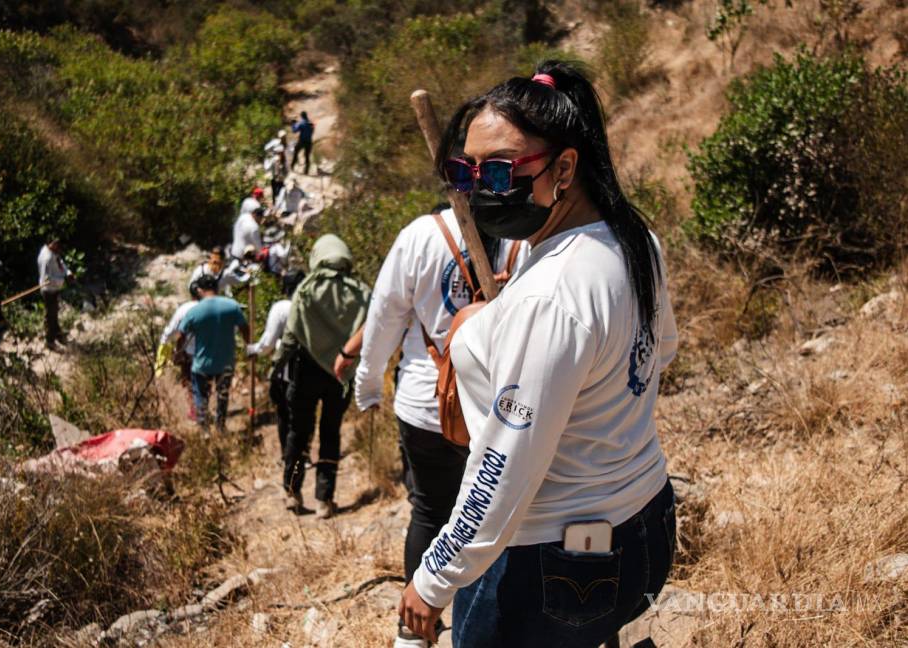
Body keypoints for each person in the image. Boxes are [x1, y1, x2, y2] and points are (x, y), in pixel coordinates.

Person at [398, 61, 679, 648]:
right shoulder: (632, 240)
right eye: (464, 170)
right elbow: (658, 351)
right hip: (645, 520)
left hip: (555, 559)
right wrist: (497, 322)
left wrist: (431, 579)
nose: (478, 189)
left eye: (500, 172)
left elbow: (504, 466)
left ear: (565, 168)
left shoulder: (553, 294)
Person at [346, 203, 527, 648]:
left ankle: (415, 632)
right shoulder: (525, 232)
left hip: (428, 402)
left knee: (429, 511)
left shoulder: (420, 236)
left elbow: (384, 315)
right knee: (501, 517)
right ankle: (487, 619)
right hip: (499, 407)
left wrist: (367, 387)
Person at [279, 234, 370, 519]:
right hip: (339, 375)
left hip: (304, 371)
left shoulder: (306, 289)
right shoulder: (361, 293)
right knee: (330, 432)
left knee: (299, 432)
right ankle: (324, 500)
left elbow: (291, 334)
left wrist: (277, 365)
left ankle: (292, 492)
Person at [177, 274, 249, 434]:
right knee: (222, 395)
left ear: (200, 290)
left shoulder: (195, 311)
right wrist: (248, 346)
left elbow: (180, 334)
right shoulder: (232, 306)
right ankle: (220, 426)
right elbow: (244, 327)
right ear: (216, 288)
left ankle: (204, 430)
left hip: (202, 363)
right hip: (225, 361)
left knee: (201, 396)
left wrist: (180, 353)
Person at [246, 269, 306, 461]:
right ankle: (303, 453)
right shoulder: (313, 304)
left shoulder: (281, 308)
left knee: (284, 412)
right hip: (312, 364)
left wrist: (253, 350)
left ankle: (287, 454)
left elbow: (268, 343)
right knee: (305, 411)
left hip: (287, 366)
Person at [157, 281, 203, 421]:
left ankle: (195, 411)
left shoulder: (184, 309)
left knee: (189, 382)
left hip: (189, 352)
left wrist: (163, 345)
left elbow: (171, 330)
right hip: (210, 351)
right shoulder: (212, 307)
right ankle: (203, 408)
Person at [37, 239, 73, 350]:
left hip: (54, 289)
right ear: (52, 244)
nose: (59, 249)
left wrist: (68, 272)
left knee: (54, 313)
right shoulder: (46, 258)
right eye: (58, 246)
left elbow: (60, 263)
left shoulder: (53, 253)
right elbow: (47, 279)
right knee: (51, 316)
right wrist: (63, 279)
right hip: (48, 290)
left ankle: (58, 335)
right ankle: (50, 341)